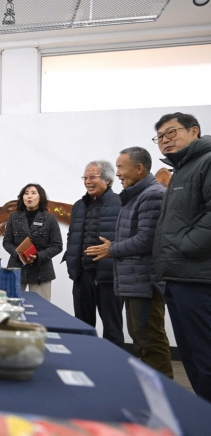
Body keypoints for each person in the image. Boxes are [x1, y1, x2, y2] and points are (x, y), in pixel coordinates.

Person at [86, 147, 173, 378]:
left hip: (145, 281)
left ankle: (163, 392)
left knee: (149, 340)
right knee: (141, 338)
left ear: (139, 168)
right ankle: (151, 389)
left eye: (121, 167)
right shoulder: (135, 196)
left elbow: (146, 239)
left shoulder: (152, 195)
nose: (117, 173)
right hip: (134, 280)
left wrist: (112, 248)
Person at [152, 112, 211, 401]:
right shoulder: (181, 170)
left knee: (205, 356)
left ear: (194, 131)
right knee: (191, 356)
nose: (165, 140)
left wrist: (186, 245)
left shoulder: (207, 161)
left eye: (171, 132)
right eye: (160, 137)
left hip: (198, 277)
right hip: (177, 275)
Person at [64, 160, 124, 347]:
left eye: (92, 177)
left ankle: (113, 363)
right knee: (82, 326)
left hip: (109, 276)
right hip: (82, 275)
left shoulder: (122, 203)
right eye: (85, 177)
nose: (87, 181)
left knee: (112, 328)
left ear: (107, 180)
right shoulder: (79, 205)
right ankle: (84, 360)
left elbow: (129, 237)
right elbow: (72, 235)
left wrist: (114, 248)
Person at [1, 184, 63, 301]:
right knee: (10, 305)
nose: (29, 196)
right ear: (22, 198)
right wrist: (19, 255)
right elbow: (7, 242)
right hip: (16, 268)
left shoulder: (50, 219)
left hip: (41, 271)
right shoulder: (13, 217)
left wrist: (38, 256)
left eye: (33, 193)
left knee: (41, 308)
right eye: (26, 193)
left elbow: (57, 246)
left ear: (41, 197)